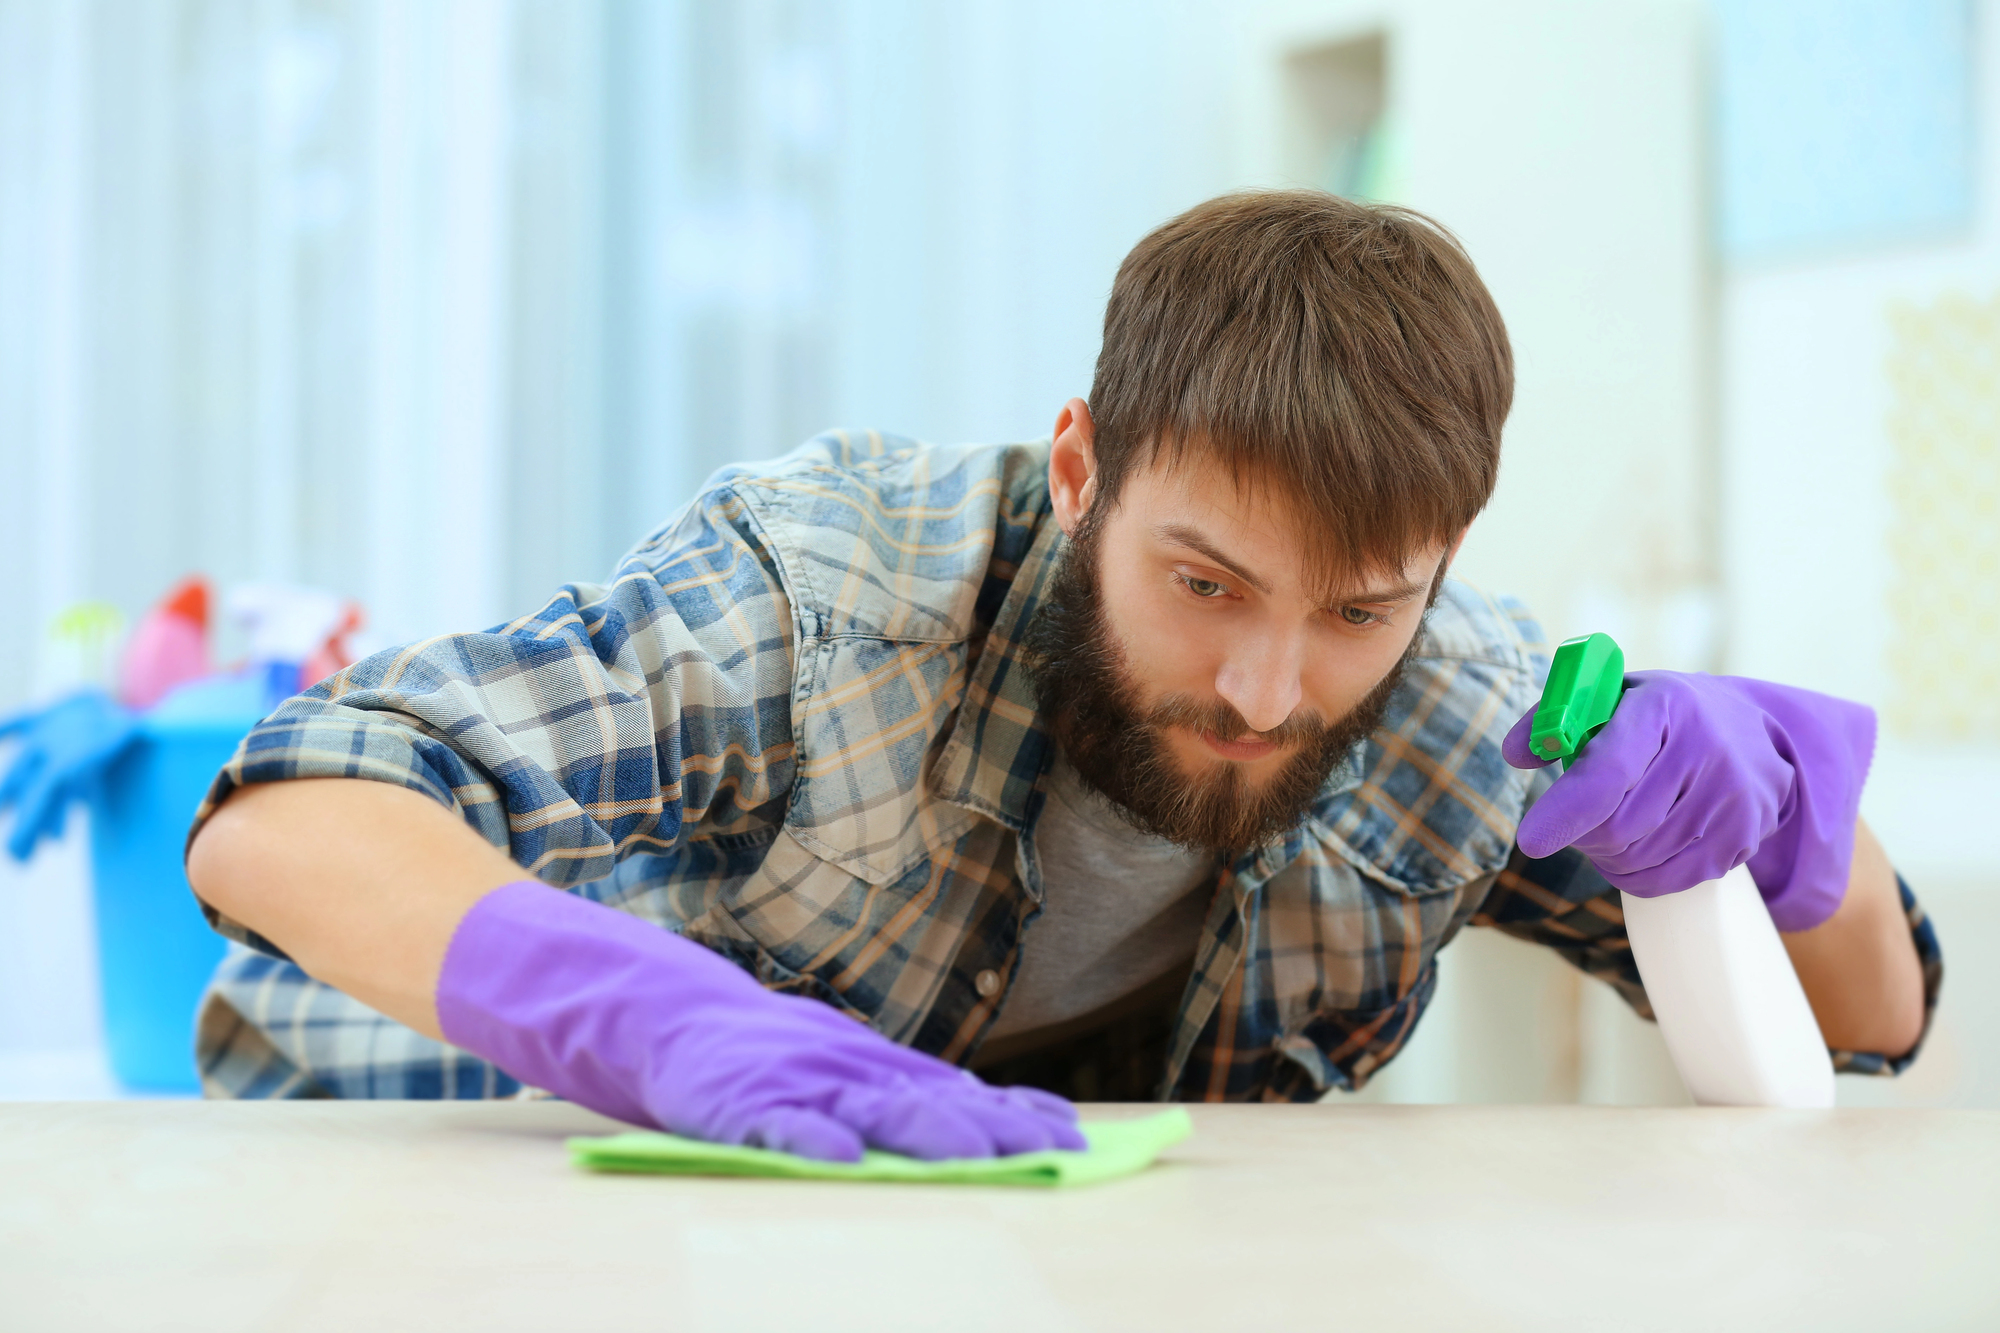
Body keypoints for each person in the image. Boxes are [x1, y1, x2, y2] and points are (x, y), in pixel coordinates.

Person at [185, 191, 1937, 1161]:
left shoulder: (1466, 710)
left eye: (1357, 609)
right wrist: (639, 1017)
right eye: (1204, 581)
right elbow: (287, 815)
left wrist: (1785, 828)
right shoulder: (836, 586)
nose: (1268, 686)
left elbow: (1877, 1026)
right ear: (1082, 465)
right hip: (419, 1169)